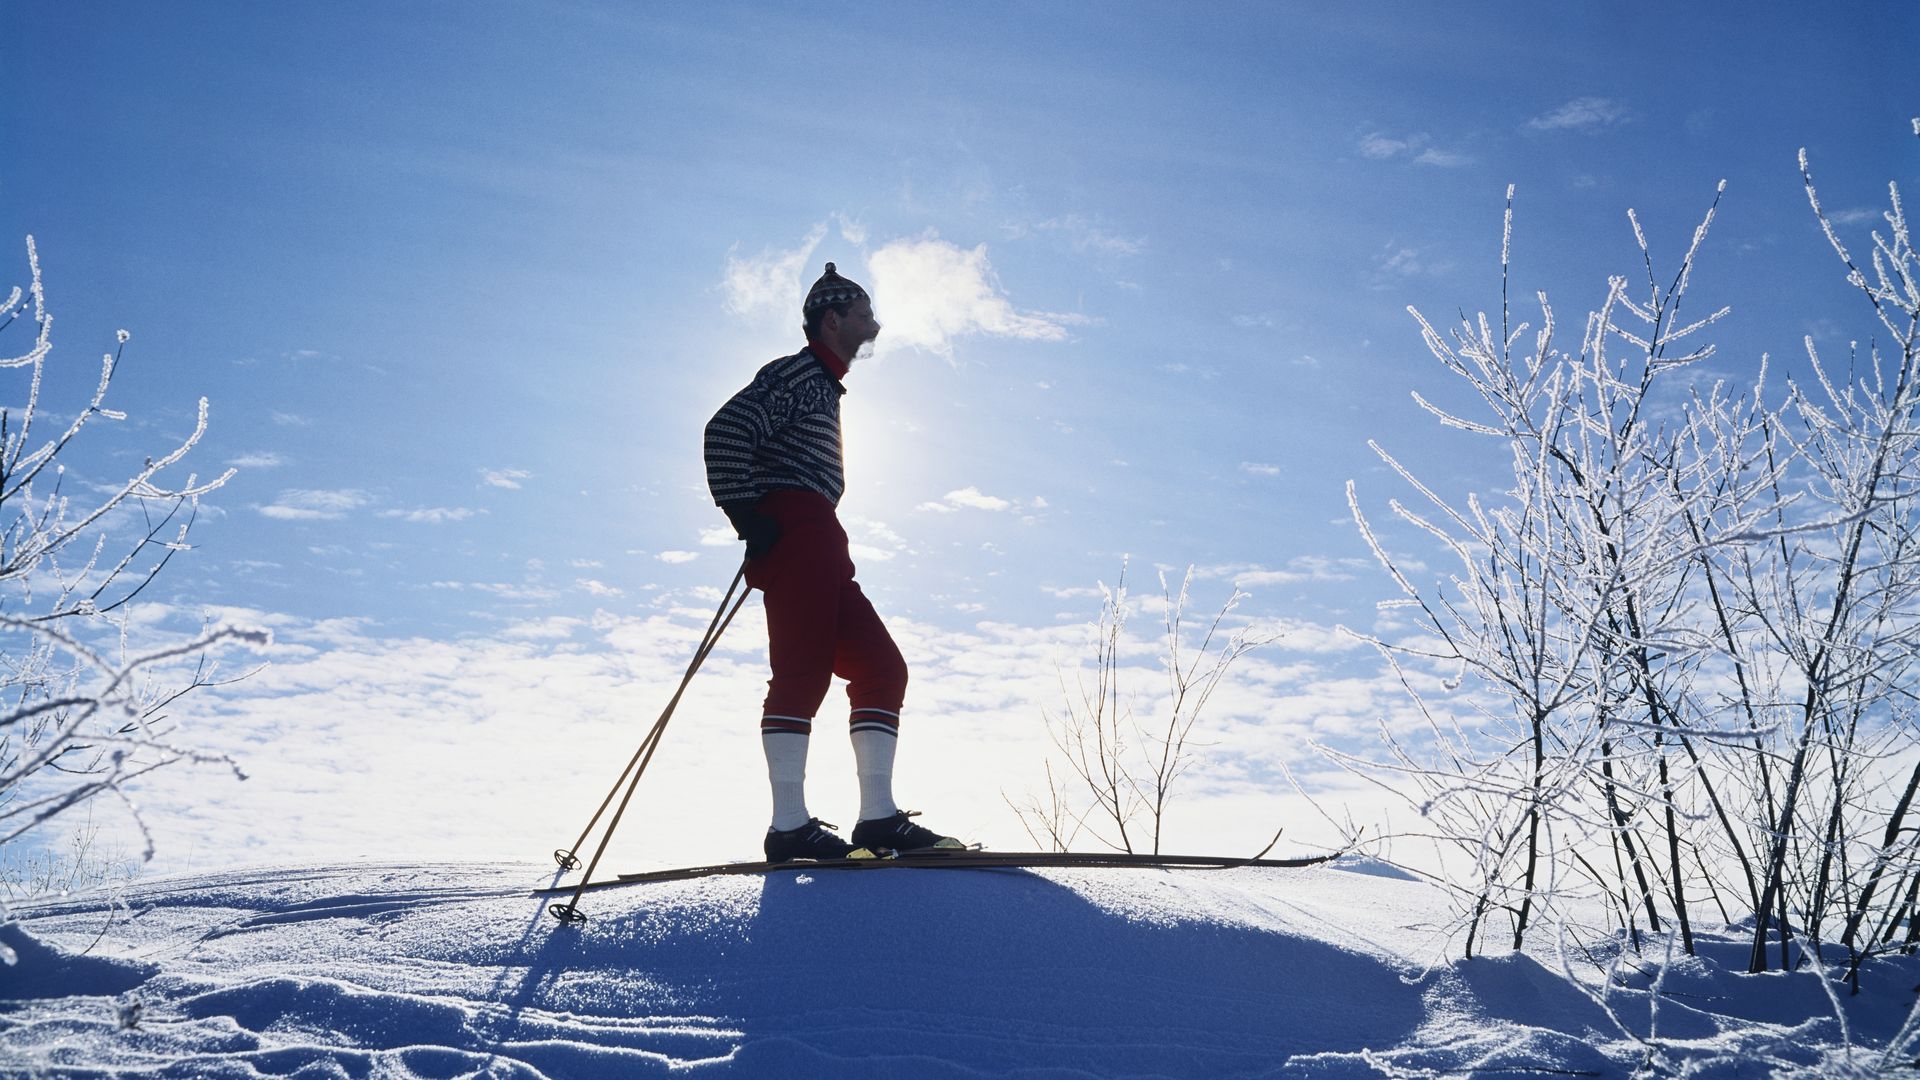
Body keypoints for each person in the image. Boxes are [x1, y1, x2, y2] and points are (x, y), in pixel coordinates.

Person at [703, 262, 962, 861]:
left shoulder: (824, 381)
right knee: (802, 672)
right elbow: (726, 429)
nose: (874, 324)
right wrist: (749, 513)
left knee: (880, 668)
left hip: (818, 530)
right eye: (864, 313)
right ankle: (788, 825)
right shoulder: (798, 372)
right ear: (833, 318)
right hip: (796, 526)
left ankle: (878, 819)